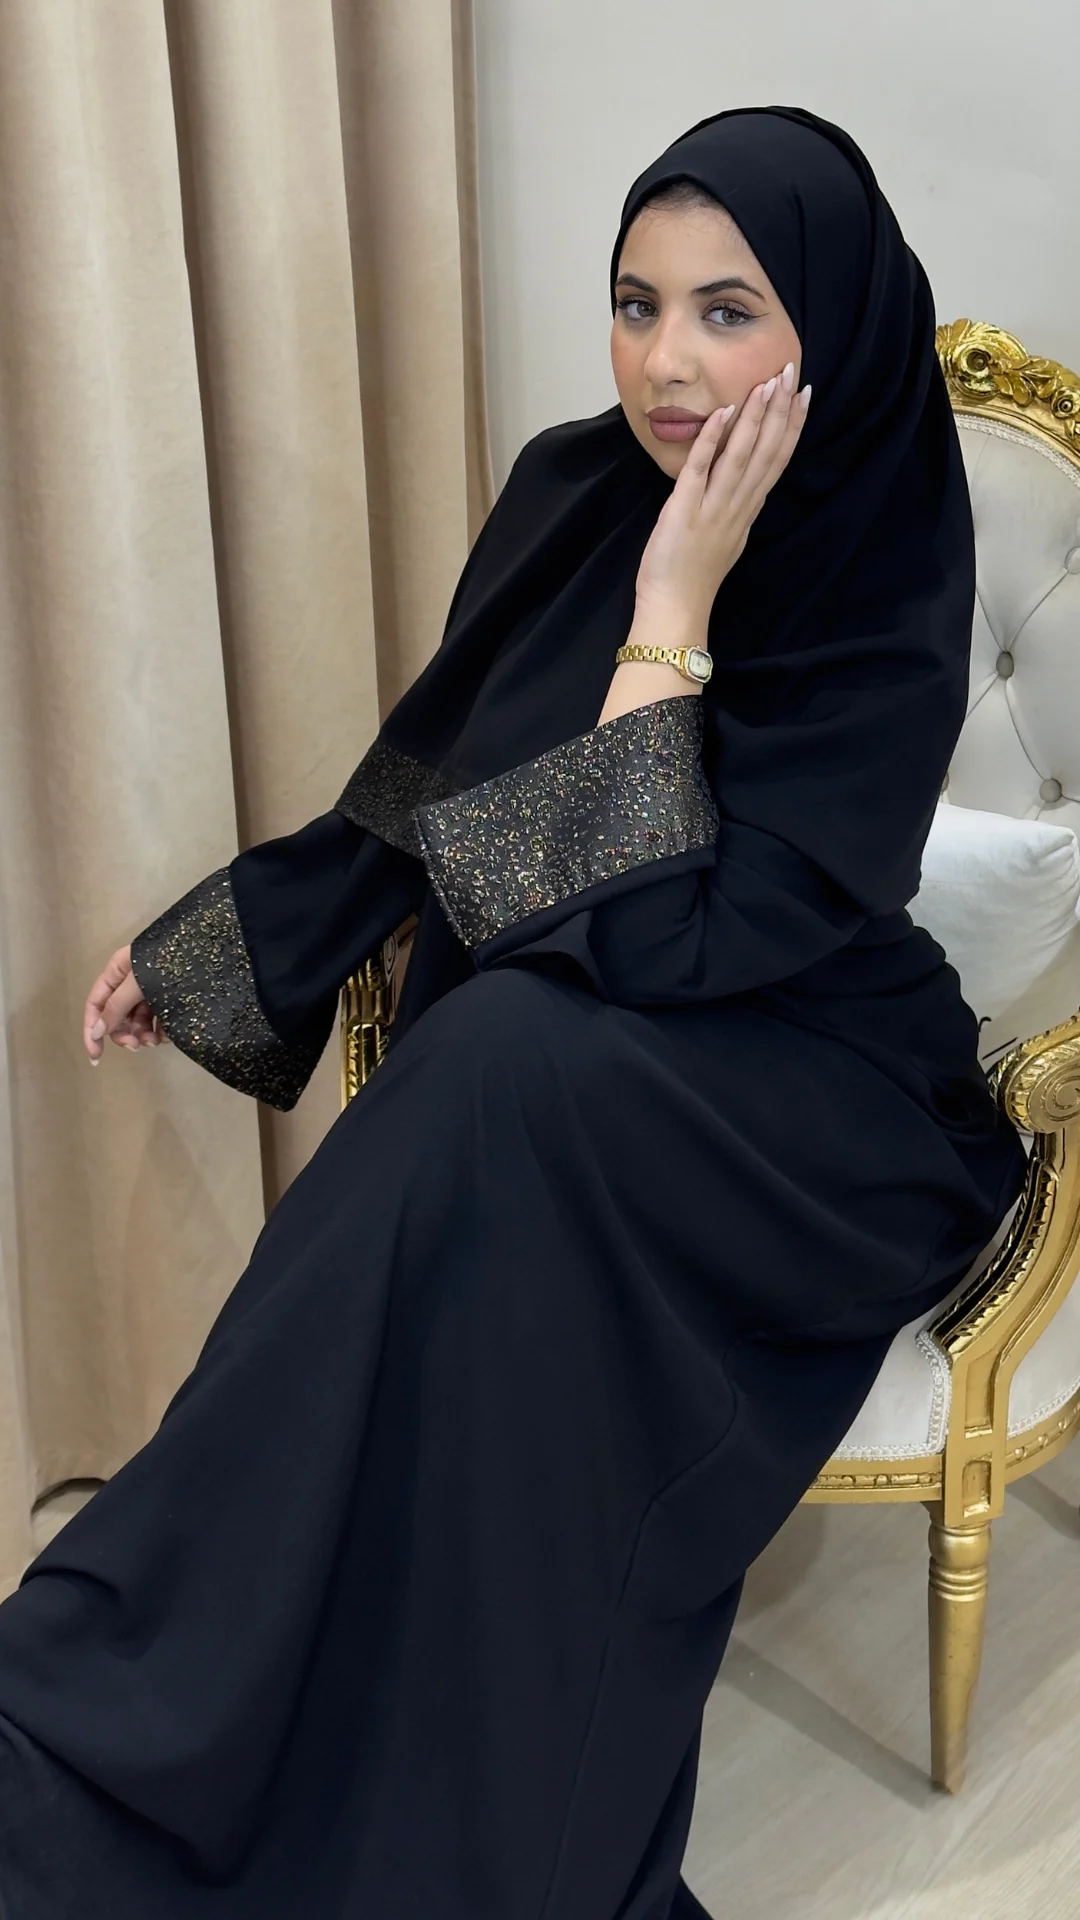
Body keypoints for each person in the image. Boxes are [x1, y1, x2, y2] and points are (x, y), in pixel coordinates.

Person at [0, 105, 1026, 1919]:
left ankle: (186, 1679)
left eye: (728, 311)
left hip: (815, 1086)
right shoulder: (575, 489)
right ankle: (164, 1672)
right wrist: (231, 943)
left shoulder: (881, 559)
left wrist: (675, 603)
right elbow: (434, 787)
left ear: (832, 329)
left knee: (498, 1066)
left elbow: (690, 929)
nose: (666, 363)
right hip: (586, 1044)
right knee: (494, 1097)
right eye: (637, 305)